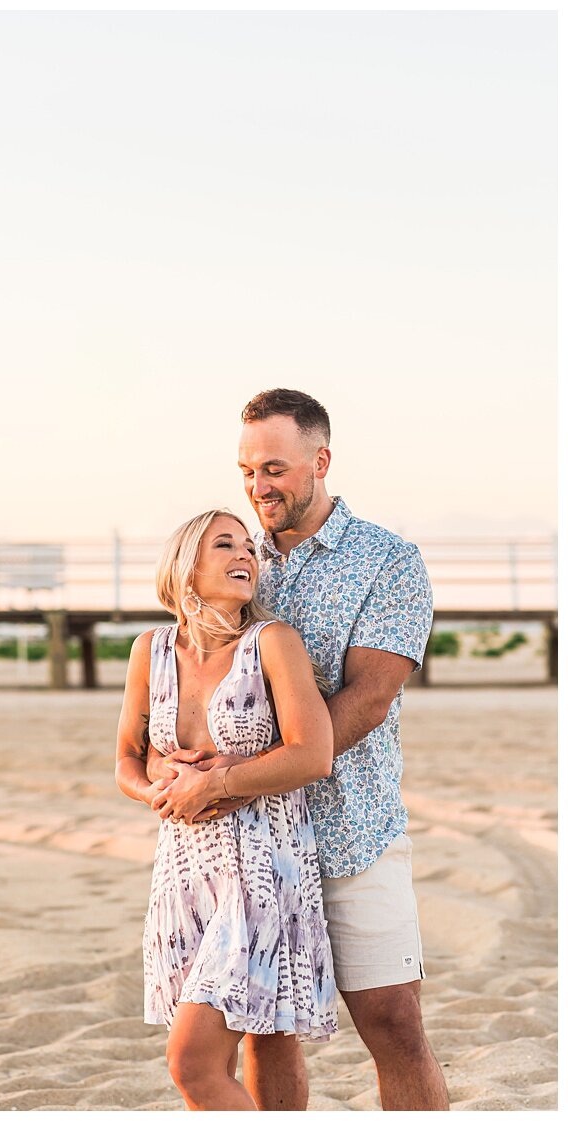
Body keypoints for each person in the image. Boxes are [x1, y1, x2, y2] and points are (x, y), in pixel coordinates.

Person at [146, 389, 446, 1111]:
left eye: (274, 468)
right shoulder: (239, 557)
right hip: (251, 852)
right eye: (247, 470)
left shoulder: (387, 560)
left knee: (393, 1021)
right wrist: (178, 773)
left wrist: (243, 779)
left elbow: (371, 697)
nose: (258, 487)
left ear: (321, 460)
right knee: (263, 1035)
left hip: (352, 832)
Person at [117, 508, 336, 1109]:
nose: (245, 556)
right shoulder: (151, 651)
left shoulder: (273, 642)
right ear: (186, 567)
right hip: (182, 874)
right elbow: (126, 764)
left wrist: (214, 785)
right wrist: (160, 786)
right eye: (225, 545)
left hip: (262, 870)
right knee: (212, 1068)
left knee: (191, 1064)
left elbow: (313, 755)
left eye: (248, 548)